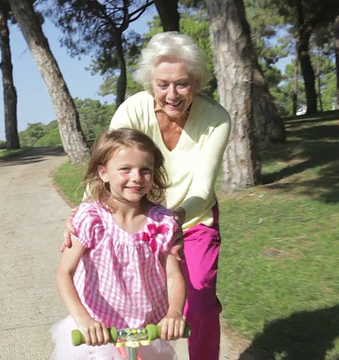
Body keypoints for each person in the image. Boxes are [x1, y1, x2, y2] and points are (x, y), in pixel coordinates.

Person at [63, 32, 231, 360]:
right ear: (150, 82)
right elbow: (108, 163)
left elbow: (202, 189)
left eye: (182, 83)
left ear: (196, 82)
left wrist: (169, 220)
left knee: (199, 306)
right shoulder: (134, 109)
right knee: (132, 306)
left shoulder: (216, 119)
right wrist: (82, 214)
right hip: (132, 219)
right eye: (162, 84)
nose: (172, 94)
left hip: (190, 219)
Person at [52, 128, 187, 359]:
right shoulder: (91, 219)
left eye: (145, 170)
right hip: (99, 331)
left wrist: (174, 313)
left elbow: (174, 275)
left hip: (147, 329)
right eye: (125, 169)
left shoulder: (162, 223)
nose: (136, 177)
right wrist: (83, 319)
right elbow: (65, 272)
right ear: (103, 173)